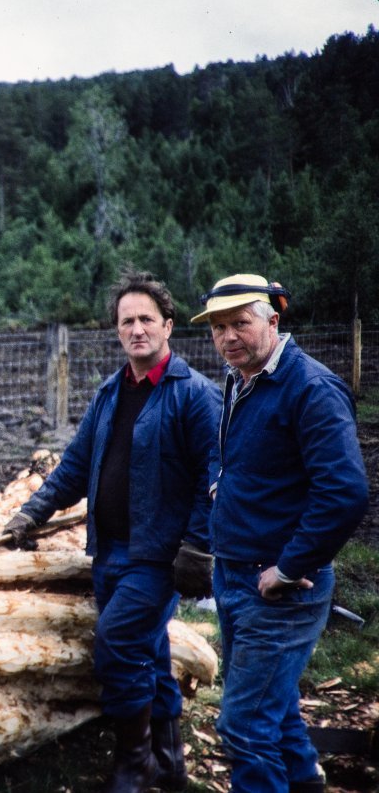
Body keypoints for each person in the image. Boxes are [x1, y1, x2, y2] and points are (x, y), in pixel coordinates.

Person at [2, 270, 221, 792]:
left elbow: (215, 478)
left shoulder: (195, 396)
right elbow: (74, 468)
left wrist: (196, 547)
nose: (137, 329)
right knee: (151, 651)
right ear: (118, 331)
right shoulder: (109, 393)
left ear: (168, 326)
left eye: (147, 319)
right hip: (110, 551)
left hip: (159, 557)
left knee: (117, 643)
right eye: (128, 321)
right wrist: (31, 513)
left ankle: (134, 764)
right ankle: (169, 764)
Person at [191, 274, 368, 792]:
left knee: (244, 726)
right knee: (279, 707)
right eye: (219, 328)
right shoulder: (241, 377)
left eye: (240, 323)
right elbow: (231, 453)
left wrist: (290, 566)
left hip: (280, 588)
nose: (228, 337)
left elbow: (345, 493)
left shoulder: (310, 388)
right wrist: (219, 486)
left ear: (273, 319)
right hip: (234, 574)